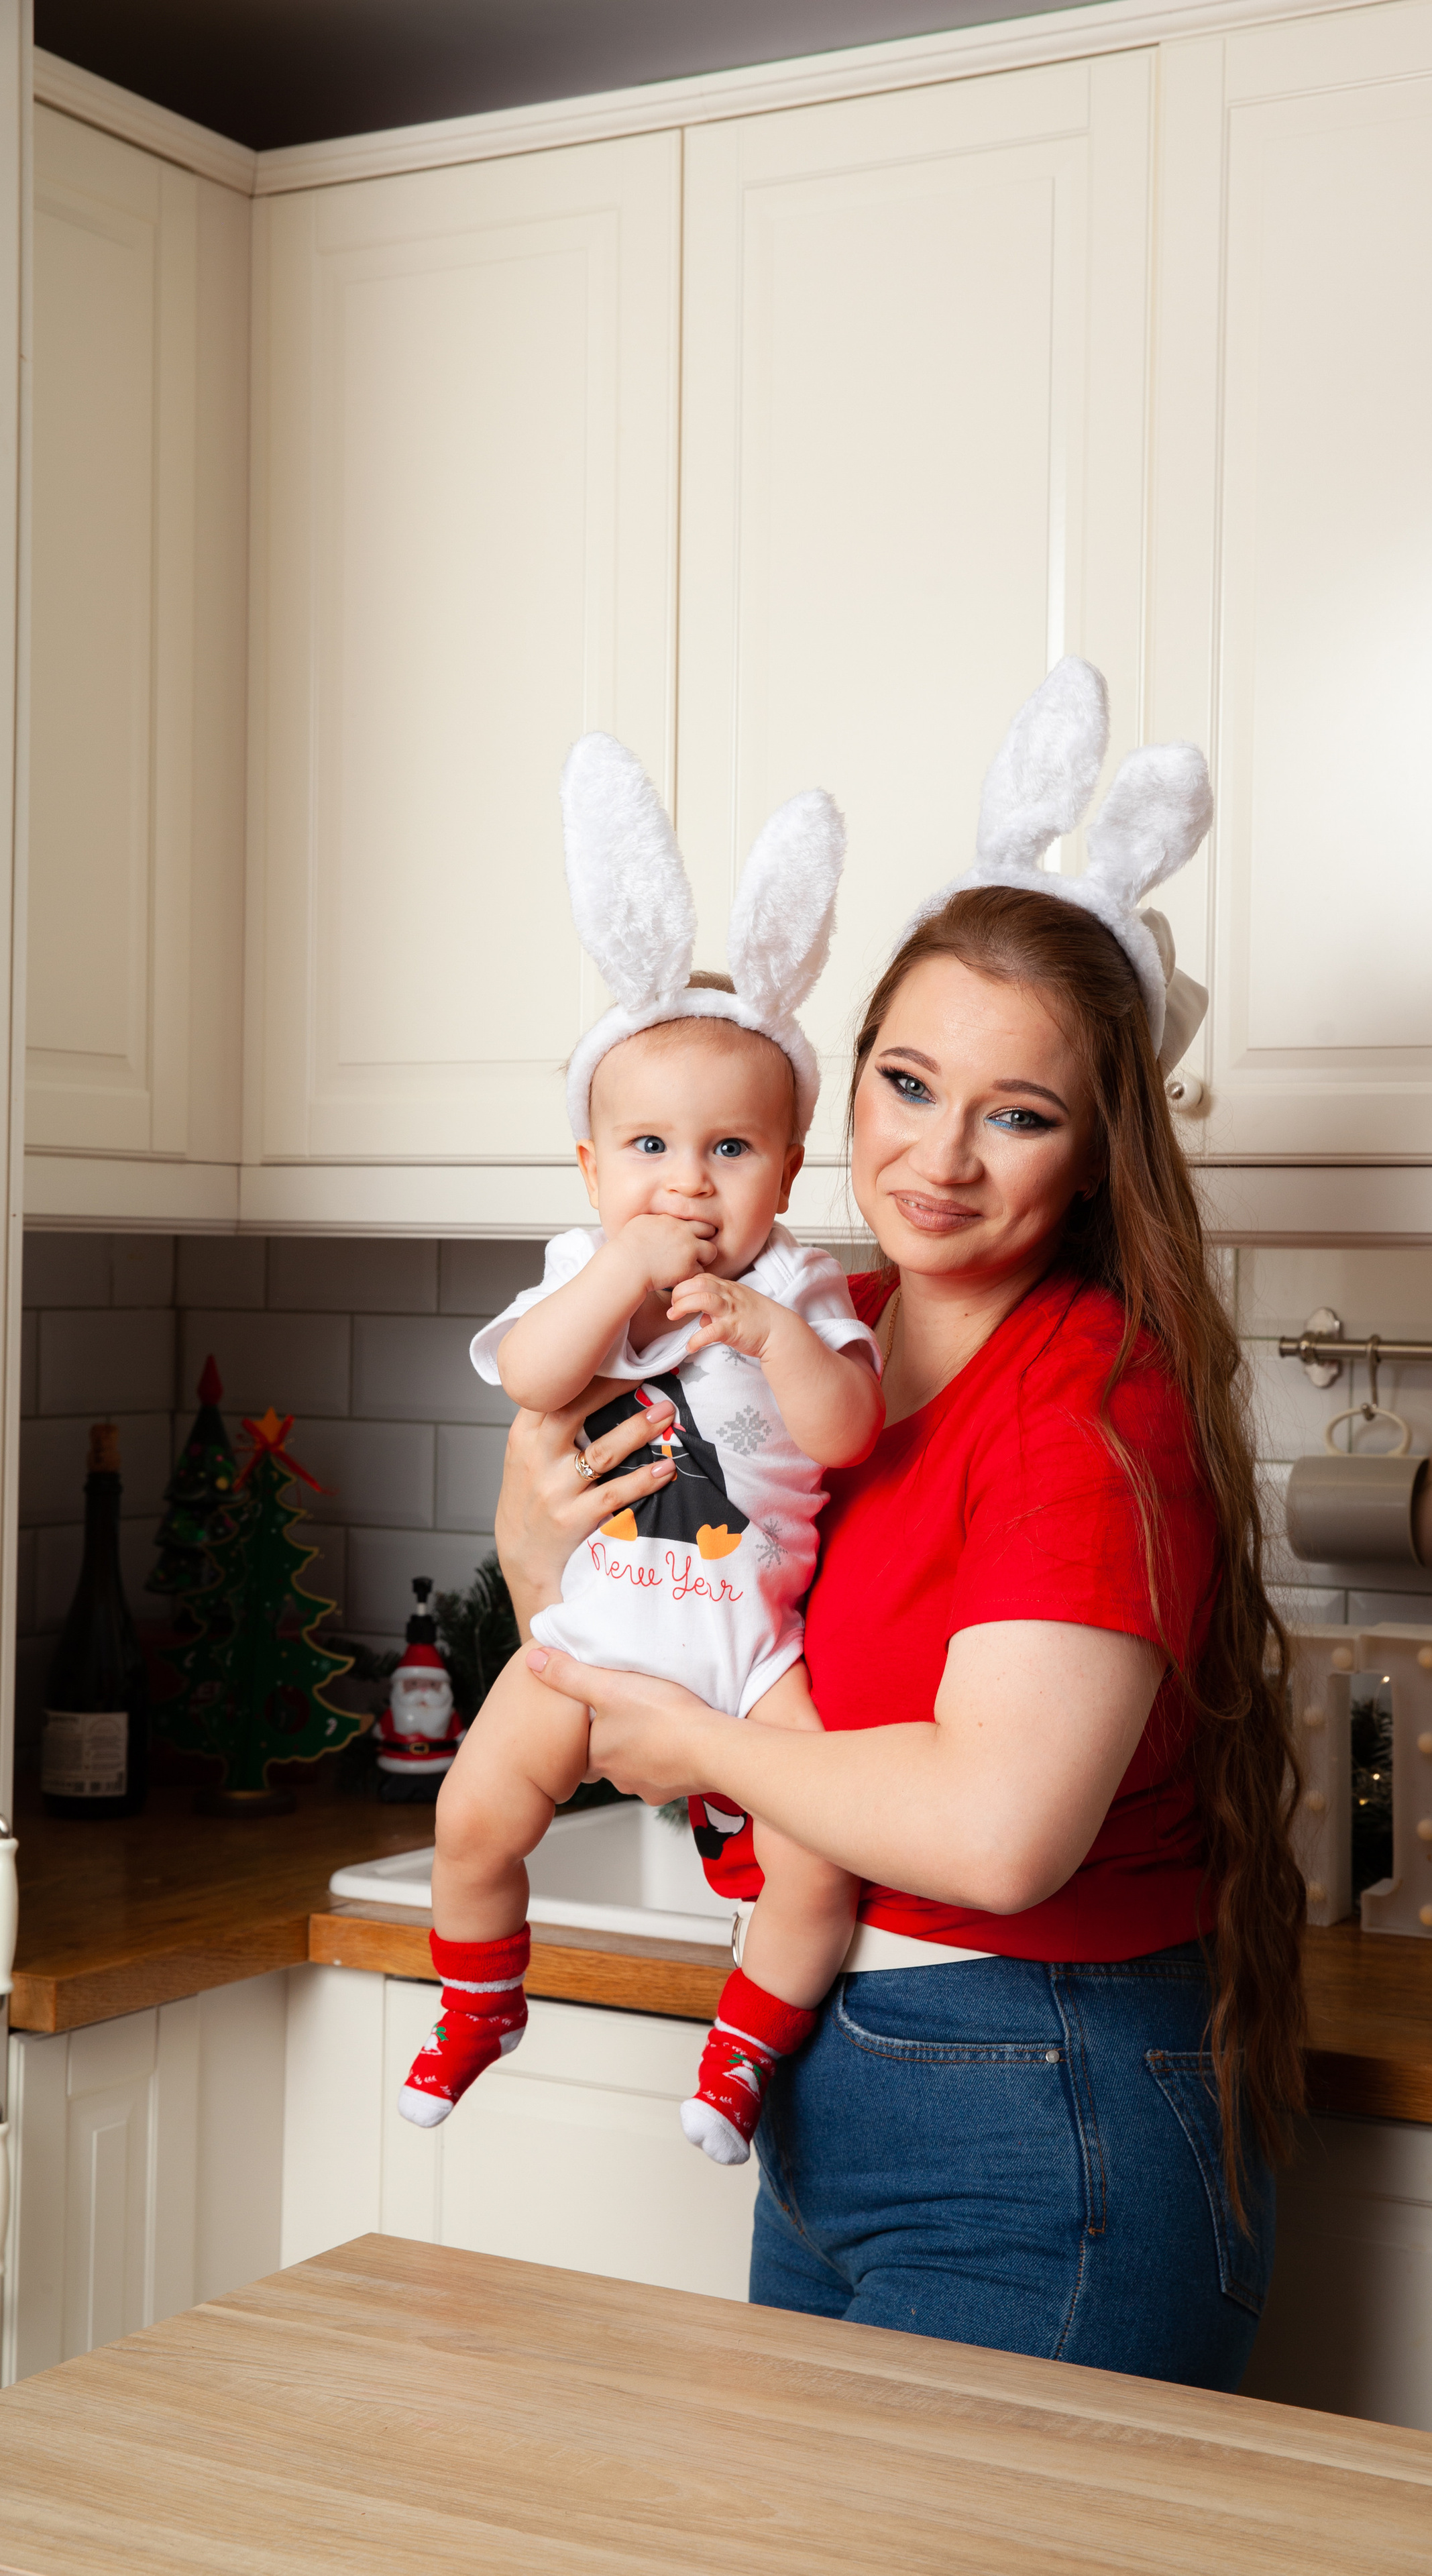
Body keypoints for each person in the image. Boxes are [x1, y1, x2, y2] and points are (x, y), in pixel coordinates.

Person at [489, 660, 1308, 2392]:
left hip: (1042, 2104)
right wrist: (540, 1492)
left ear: (1096, 1154)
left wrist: (692, 1734)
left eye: (1019, 1114)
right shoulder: (816, 1325)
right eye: (906, 1084)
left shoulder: (1088, 1410)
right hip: (841, 2071)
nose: (940, 1157)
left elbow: (1000, 1835)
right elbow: (578, 1594)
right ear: (838, 1091)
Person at [398, 735, 885, 2154]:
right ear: (591, 1170)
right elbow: (533, 1375)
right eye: (650, 1150)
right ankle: (477, 2004)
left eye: (731, 1151)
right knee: (474, 1821)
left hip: (752, 1658)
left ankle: (741, 2056)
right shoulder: (580, 1270)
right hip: (591, 1636)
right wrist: (613, 1277)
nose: (688, 1182)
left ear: (787, 1172)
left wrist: (762, 1331)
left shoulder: (797, 1287)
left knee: (815, 1868)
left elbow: (847, 1431)